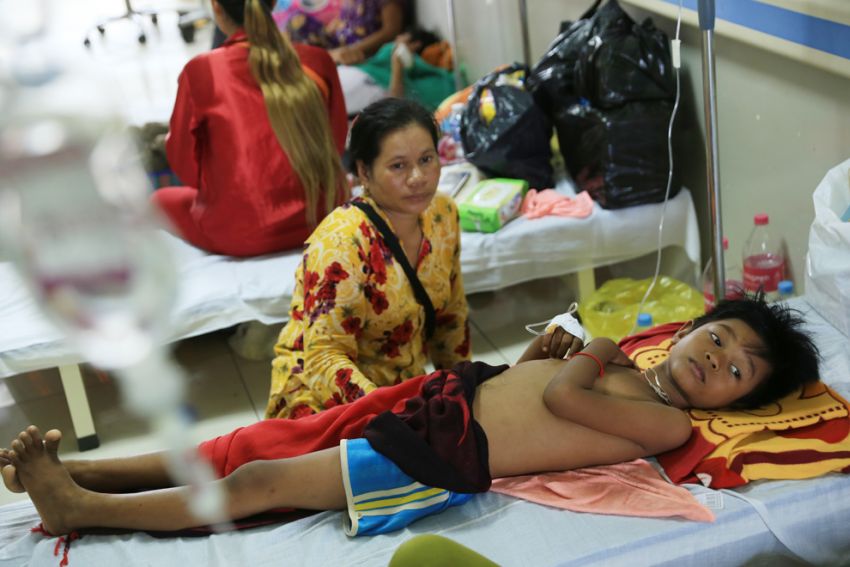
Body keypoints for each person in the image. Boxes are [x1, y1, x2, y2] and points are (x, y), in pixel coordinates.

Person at [0, 296, 821, 536]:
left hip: (442, 457)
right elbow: (535, 390)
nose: (715, 359)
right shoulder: (635, 374)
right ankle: (87, 475)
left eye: (736, 371)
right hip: (448, 405)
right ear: (692, 327)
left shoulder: (668, 422)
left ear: (737, 402)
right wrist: (545, 357)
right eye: (718, 338)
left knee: (259, 482)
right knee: (254, 450)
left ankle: (81, 508)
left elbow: (563, 400)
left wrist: (594, 349)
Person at [265, 97, 470, 419]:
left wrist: (463, 393)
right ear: (364, 171)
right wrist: (393, 416)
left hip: (402, 393)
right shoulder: (342, 242)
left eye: (426, 159)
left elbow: (451, 319)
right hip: (323, 401)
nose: (418, 177)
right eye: (398, 166)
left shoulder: (443, 215)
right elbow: (325, 358)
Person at [153, 0, 348, 257]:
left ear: (216, 7)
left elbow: (186, 168)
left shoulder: (202, 69)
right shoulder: (317, 60)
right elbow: (335, 144)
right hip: (323, 215)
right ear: (273, 3)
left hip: (243, 233)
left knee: (158, 200)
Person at [337, 28, 456, 113]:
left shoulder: (427, 84)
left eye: (401, 38)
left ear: (415, 45)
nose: (396, 40)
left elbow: (396, 107)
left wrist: (397, 64)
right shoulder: (379, 64)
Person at [285, 0, 404, 65]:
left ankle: (318, 59)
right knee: (296, 20)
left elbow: (391, 31)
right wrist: (334, 26)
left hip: (357, 47)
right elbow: (346, 18)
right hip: (338, 39)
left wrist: (353, 49)